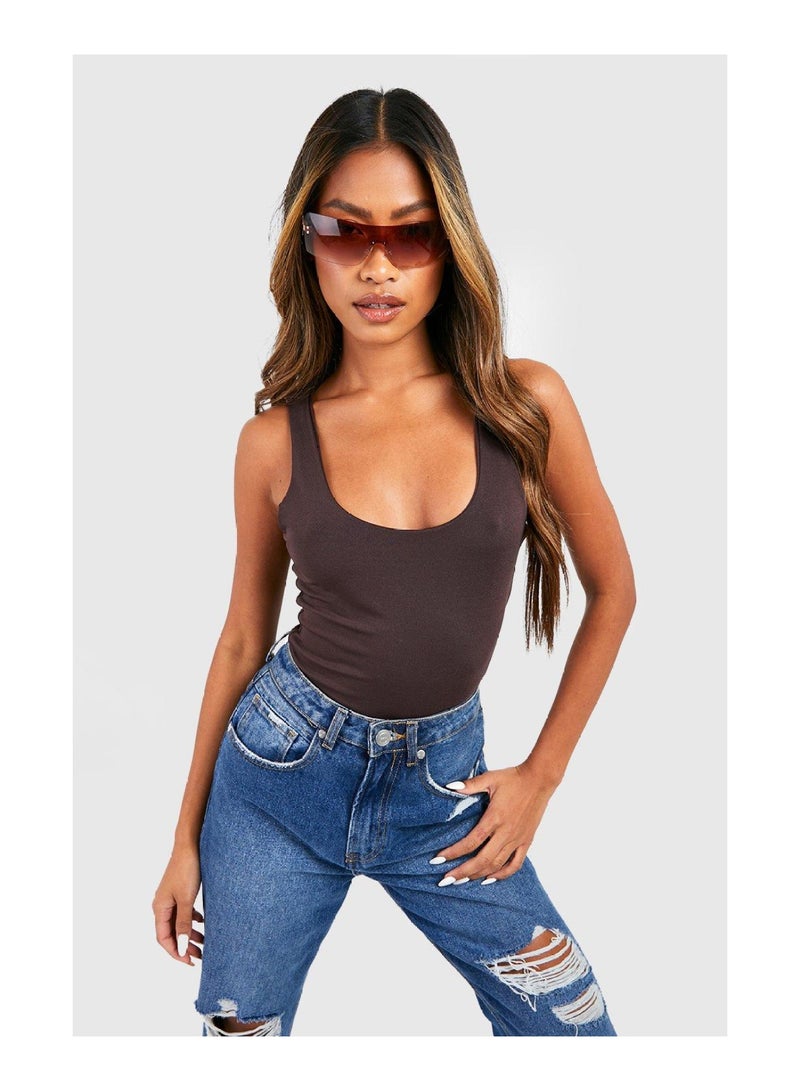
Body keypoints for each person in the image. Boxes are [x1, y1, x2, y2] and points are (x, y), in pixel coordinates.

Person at [152, 86, 636, 1037]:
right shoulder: (273, 443)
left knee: (573, 1030)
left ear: (449, 243)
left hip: (446, 795)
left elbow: (614, 590)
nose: (377, 265)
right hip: (277, 784)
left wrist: (541, 775)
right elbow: (244, 637)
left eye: (410, 234)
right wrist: (182, 840)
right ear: (308, 243)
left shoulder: (525, 404)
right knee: (241, 1046)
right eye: (345, 231)